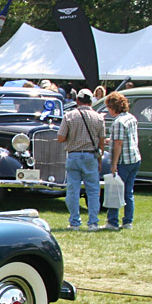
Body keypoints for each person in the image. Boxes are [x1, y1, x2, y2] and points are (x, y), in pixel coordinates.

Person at [56, 88, 105, 231]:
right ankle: (93, 222)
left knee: (73, 190)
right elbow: (101, 141)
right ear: (91, 101)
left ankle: (74, 222)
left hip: (74, 154)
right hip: (91, 155)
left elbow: (60, 138)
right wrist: (100, 160)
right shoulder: (98, 117)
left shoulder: (69, 116)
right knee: (93, 190)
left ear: (77, 100)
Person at [103, 91, 141, 230]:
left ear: (113, 107)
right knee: (128, 192)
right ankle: (127, 221)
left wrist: (113, 164)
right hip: (134, 158)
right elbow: (125, 138)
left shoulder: (118, 122)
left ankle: (112, 222)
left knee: (115, 190)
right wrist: (111, 140)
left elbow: (118, 144)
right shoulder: (131, 118)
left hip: (123, 161)